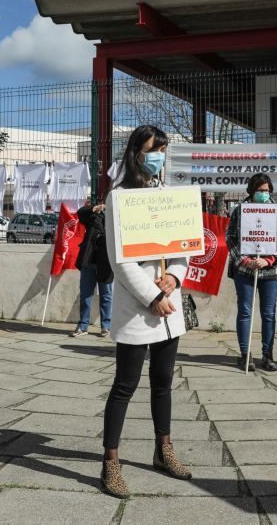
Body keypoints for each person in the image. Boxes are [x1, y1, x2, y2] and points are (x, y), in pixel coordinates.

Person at [99, 125, 191, 499]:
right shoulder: (118, 198)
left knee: (164, 383)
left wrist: (174, 278)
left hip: (169, 306)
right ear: (137, 151)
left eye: (164, 150)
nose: (160, 156)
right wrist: (153, 295)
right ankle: (110, 463)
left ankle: (163, 449)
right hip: (139, 308)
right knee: (125, 385)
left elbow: (185, 245)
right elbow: (120, 262)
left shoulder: (168, 195)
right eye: (155, 149)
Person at [225, 173, 277, 372]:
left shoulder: (276, 211)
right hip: (244, 269)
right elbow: (230, 237)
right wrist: (244, 260)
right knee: (245, 312)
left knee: (268, 314)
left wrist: (269, 259)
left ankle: (268, 355)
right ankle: (245, 355)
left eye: (267, 191)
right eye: (260, 190)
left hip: (270, 270)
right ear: (251, 190)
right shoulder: (240, 211)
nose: (264, 194)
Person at [71, 200, 113, 338]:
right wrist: (95, 208)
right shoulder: (93, 215)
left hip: (106, 262)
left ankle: (106, 326)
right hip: (88, 260)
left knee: (106, 295)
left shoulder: (115, 217)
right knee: (86, 294)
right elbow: (80, 213)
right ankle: (83, 326)